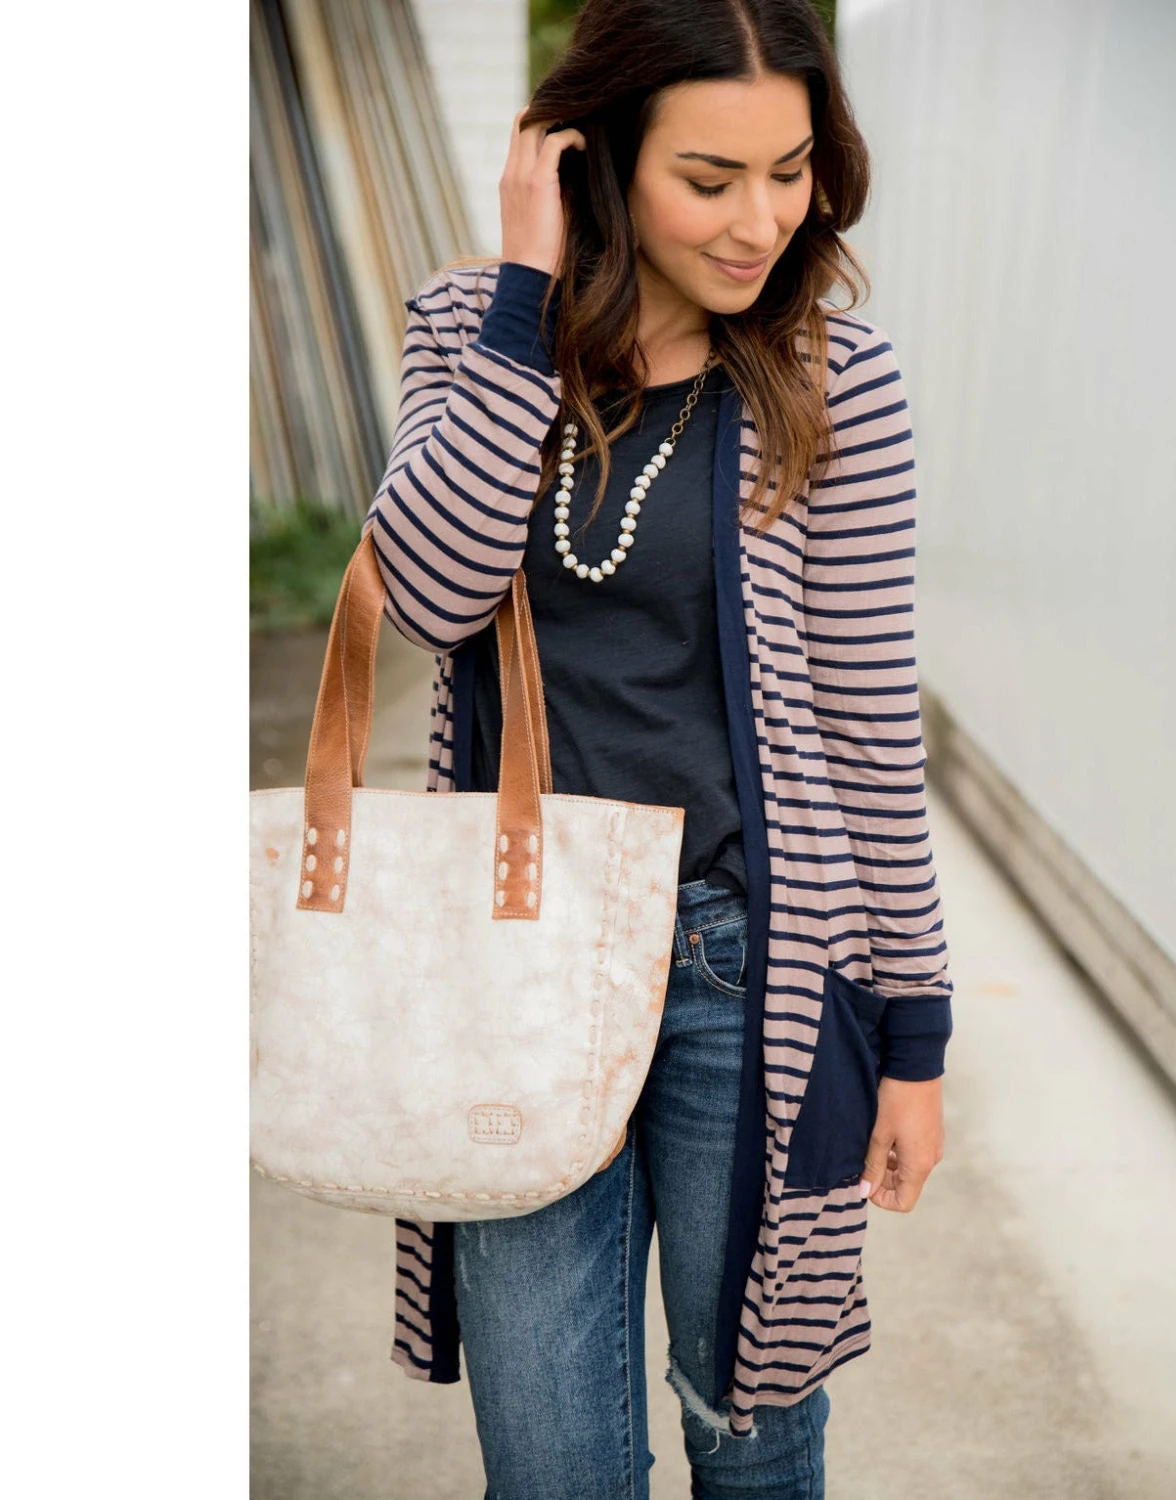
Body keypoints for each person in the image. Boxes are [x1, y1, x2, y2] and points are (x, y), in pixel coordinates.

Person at [361, 2, 954, 1494]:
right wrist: (524, 301)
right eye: (709, 178)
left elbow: (871, 731)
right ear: (598, 157)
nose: (761, 221)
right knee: (551, 1465)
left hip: (746, 973)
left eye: (790, 171)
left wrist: (913, 1040)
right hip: (517, 961)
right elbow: (427, 595)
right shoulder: (472, 330)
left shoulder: (833, 377)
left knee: (750, 1433)